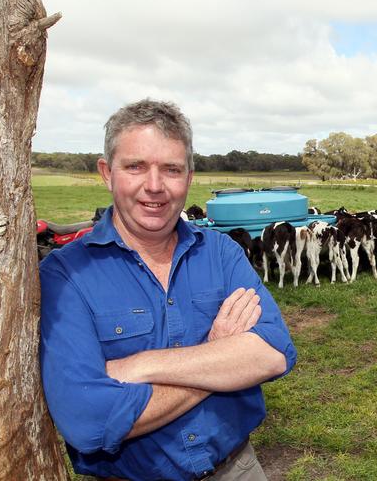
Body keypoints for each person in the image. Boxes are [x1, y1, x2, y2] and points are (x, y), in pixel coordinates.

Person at [39, 99, 297, 480]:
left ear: (189, 178)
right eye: (136, 166)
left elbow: (273, 354)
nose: (155, 186)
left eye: (171, 169)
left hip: (238, 468)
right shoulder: (66, 273)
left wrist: (141, 366)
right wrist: (218, 358)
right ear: (107, 173)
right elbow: (88, 420)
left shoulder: (221, 253)